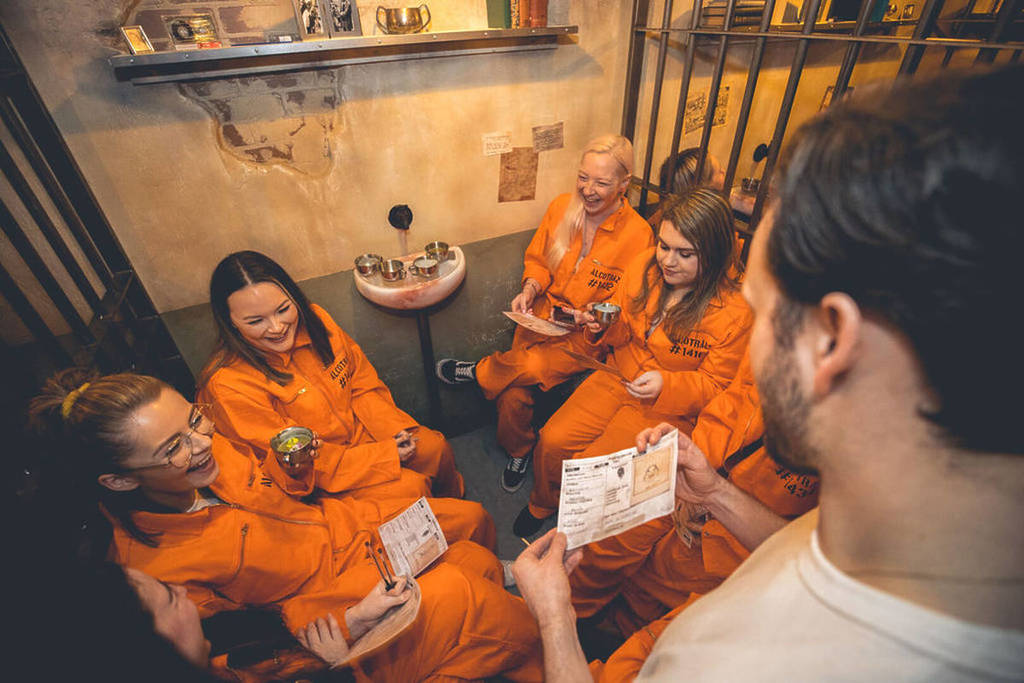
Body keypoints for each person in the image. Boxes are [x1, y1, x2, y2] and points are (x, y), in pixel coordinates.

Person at [513, 65, 1024, 680]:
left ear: (833, 340)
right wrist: (720, 494)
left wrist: (553, 619)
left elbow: (714, 387)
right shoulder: (930, 555)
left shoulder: (728, 657)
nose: (751, 346)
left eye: (762, 310)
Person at [31, 369, 541, 681]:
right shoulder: (153, 575)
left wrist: (293, 470)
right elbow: (254, 653)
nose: (202, 443)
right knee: (467, 578)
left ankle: (494, 640)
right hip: (335, 598)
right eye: (174, 448)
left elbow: (278, 493)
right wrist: (351, 623)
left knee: (470, 525)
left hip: (346, 532)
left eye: (193, 421)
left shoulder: (212, 451)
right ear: (119, 482)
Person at [513, 188, 752, 537]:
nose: (668, 261)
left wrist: (666, 384)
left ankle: (577, 532)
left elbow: (717, 386)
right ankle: (543, 502)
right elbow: (623, 322)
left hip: (668, 410)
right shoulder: (643, 265)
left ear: (714, 255)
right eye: (665, 246)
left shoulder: (735, 311)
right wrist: (604, 326)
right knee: (552, 440)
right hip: (618, 375)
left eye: (685, 254)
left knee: (590, 467)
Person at [435, 134, 654, 493]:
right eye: (583, 178)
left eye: (601, 182)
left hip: (582, 339)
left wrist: (588, 317)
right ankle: (519, 449)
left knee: (531, 368)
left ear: (624, 184)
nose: (588, 189)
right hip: (539, 317)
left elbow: (623, 305)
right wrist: (529, 290)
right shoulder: (560, 208)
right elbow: (539, 261)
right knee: (512, 396)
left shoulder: (639, 235)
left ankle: (477, 371)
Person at [568, 352, 818, 637]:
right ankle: (582, 613)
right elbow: (732, 403)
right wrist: (701, 470)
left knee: (665, 588)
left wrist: (714, 496)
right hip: (698, 475)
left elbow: (820, 561)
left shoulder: (868, 460)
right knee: (613, 536)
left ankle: (616, 629)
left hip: (741, 539)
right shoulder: (782, 337)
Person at [199, 250, 464, 500]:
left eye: (283, 309)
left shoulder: (316, 320)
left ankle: (455, 507)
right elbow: (298, 462)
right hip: (322, 472)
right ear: (230, 322)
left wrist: (391, 431)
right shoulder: (229, 386)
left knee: (435, 449)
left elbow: (360, 381)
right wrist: (382, 457)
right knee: (412, 489)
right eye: (256, 321)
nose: (277, 328)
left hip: (362, 432)